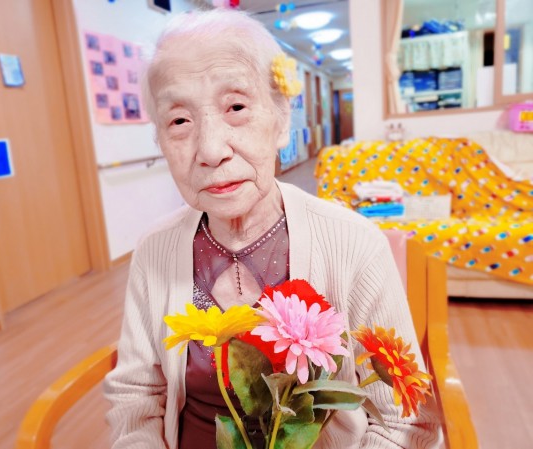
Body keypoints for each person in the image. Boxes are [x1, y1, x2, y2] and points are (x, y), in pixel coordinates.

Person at [104, 8, 441, 449]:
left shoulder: (356, 243)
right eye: (179, 121)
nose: (210, 150)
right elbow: (136, 398)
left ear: (282, 120)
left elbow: (404, 422)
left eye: (236, 107)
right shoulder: (154, 251)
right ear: (160, 141)